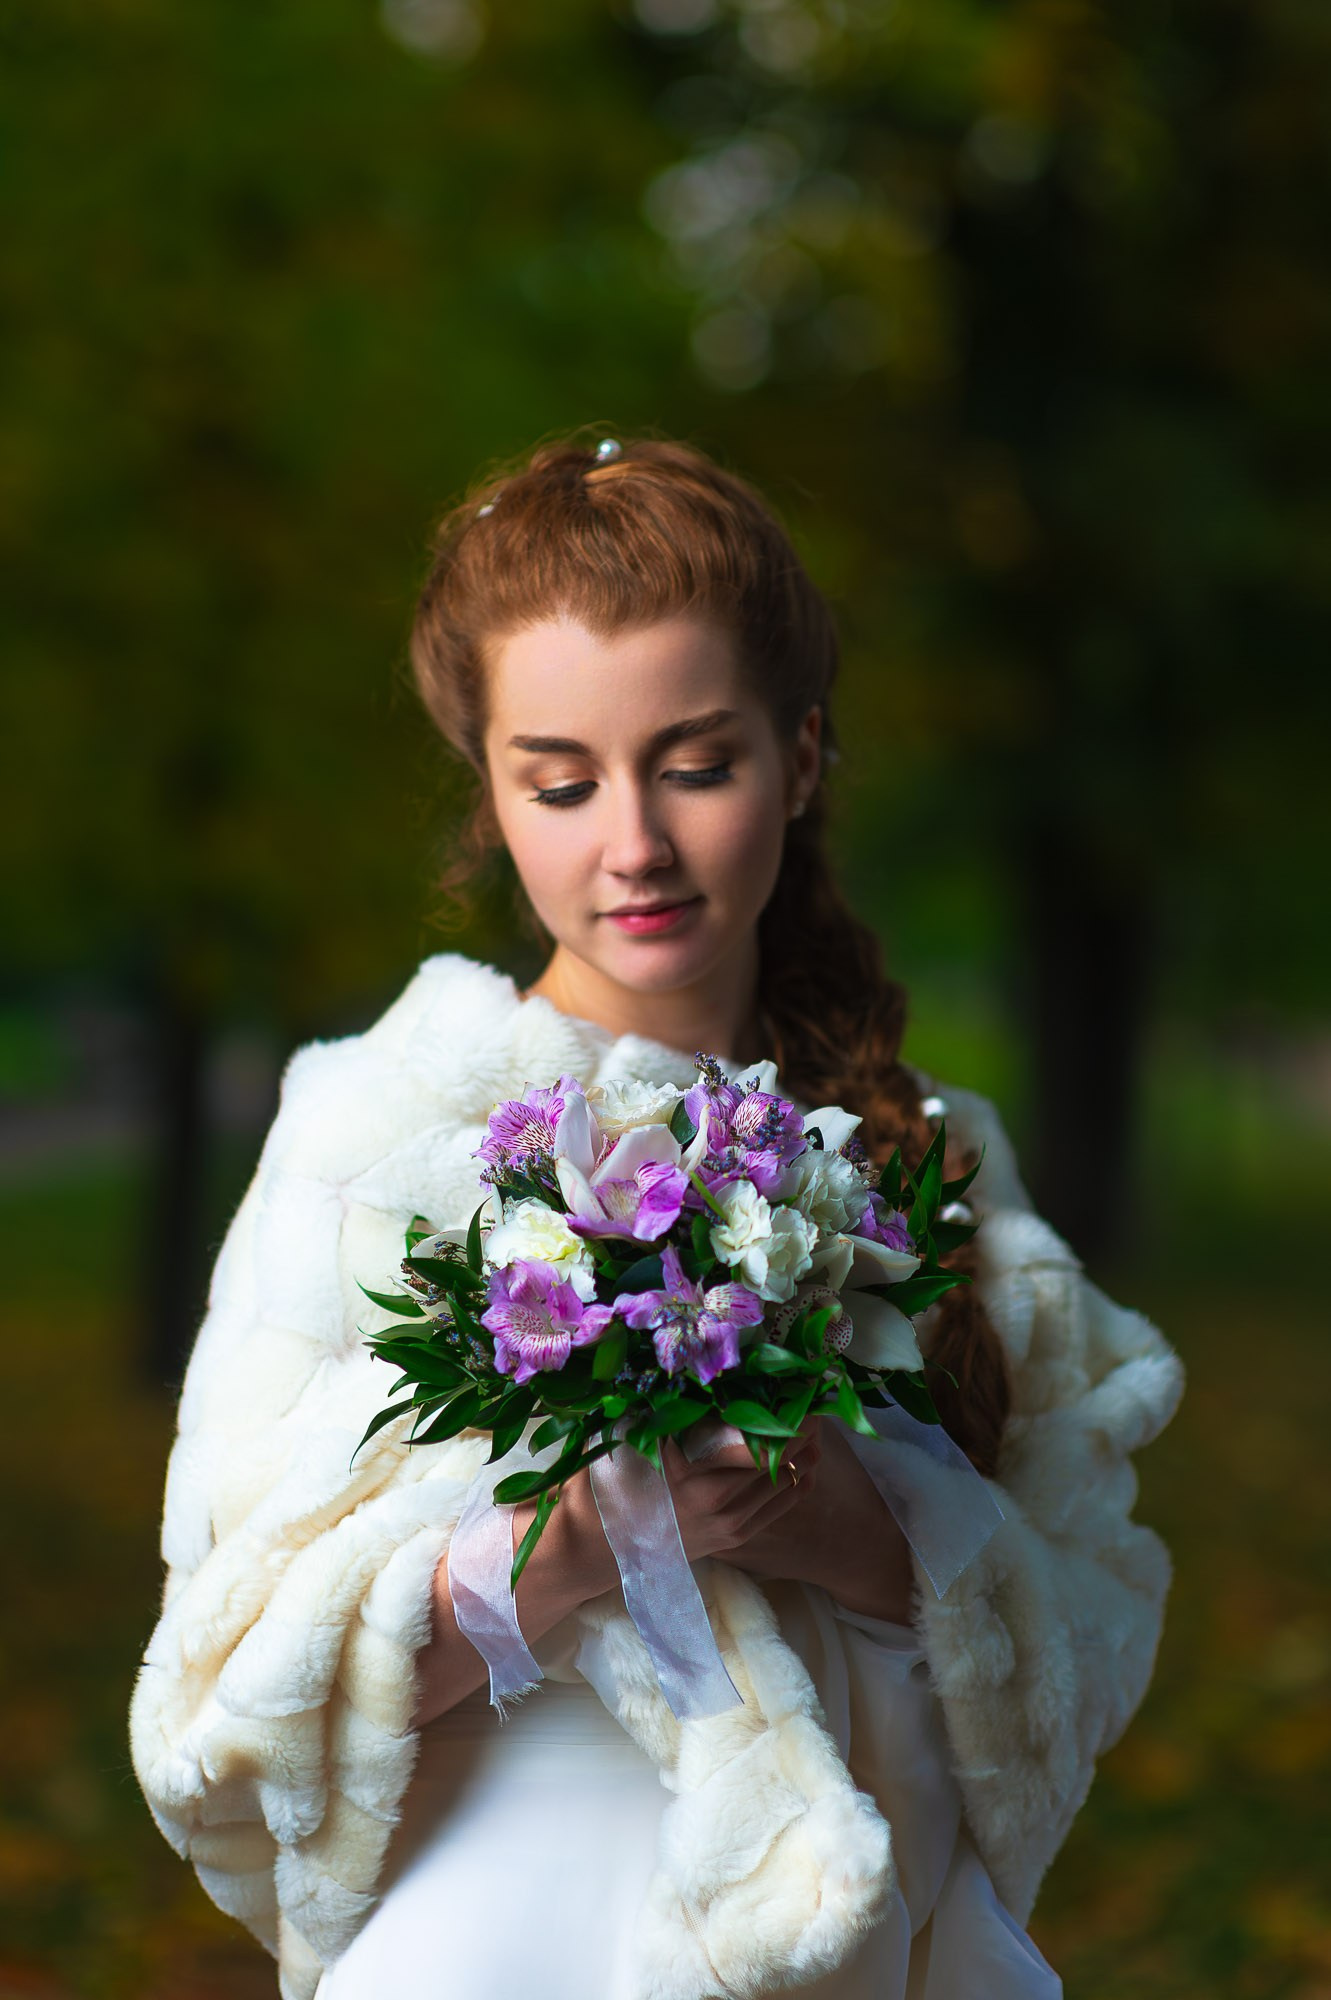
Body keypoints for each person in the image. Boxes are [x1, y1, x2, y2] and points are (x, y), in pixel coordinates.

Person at [129, 431, 1186, 2000]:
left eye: (698, 764)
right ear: (492, 791)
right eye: (559, 781)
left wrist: (878, 1541)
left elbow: (1087, 1639)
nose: (633, 843)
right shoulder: (376, 1134)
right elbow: (215, 1715)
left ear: (802, 756)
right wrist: (545, 1559)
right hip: (497, 1938)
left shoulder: (937, 1160)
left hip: (858, 1943)